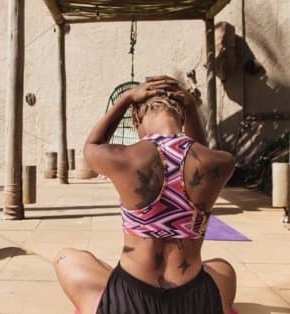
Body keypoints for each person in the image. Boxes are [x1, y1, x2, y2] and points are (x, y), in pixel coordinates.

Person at [54, 76, 237, 314]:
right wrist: (191, 106)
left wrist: (125, 98)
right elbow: (200, 152)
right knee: (223, 268)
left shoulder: (124, 157)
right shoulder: (221, 162)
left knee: (67, 257)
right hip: (194, 302)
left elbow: (91, 146)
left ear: (137, 118)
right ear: (183, 117)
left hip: (129, 302)